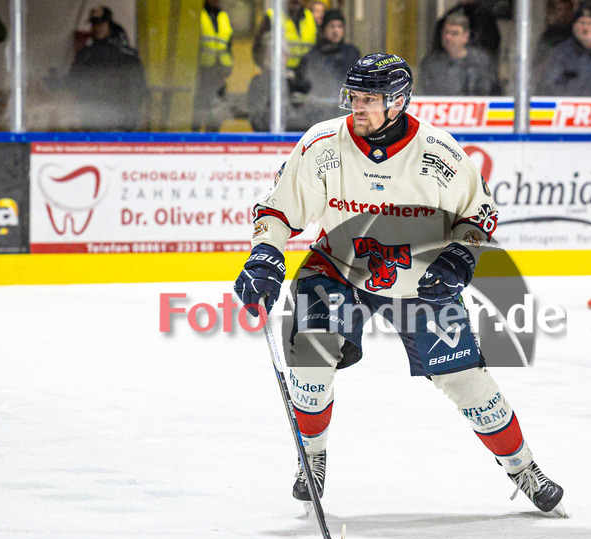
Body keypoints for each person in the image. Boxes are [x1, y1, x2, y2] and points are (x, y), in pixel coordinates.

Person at [233, 53, 565, 514]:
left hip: (420, 280)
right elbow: (277, 210)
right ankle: (310, 459)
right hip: (338, 269)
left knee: (467, 383)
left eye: (371, 99)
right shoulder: (322, 144)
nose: (358, 107)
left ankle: (523, 467)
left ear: (399, 102)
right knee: (309, 359)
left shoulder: (438, 154)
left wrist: (459, 258)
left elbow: (480, 217)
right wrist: (265, 253)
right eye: (354, 96)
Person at [70, 7, 146, 131]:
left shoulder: (125, 54)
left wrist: (131, 118)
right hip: (92, 121)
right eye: (94, 24)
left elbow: (138, 87)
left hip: (120, 121)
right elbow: (73, 84)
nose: (97, 28)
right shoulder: (85, 54)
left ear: (109, 25)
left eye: (101, 23)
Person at [290, 8, 361, 124]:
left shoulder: (352, 54)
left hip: (345, 116)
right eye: (332, 26)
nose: (336, 30)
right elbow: (300, 88)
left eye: (339, 26)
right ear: (323, 29)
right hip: (318, 116)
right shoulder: (312, 57)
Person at [416, 12, 496, 96]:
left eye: (455, 33)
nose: (448, 37)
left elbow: (488, 94)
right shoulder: (431, 63)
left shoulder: (481, 62)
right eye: (446, 32)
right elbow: (422, 93)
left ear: (466, 36)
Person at [194, 0, 234, 132]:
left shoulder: (224, 17)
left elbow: (228, 44)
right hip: (202, 74)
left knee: (216, 117)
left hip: (219, 75)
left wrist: (228, 67)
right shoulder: (199, 15)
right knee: (199, 115)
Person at [432, 0, 501, 65]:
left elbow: (494, 42)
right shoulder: (450, 16)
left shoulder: (487, 17)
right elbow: (439, 44)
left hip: (479, 64)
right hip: (455, 64)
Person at [252, 0, 317, 72]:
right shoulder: (272, 16)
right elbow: (258, 48)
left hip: (305, 75)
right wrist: (267, 72)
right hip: (280, 75)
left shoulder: (310, 17)